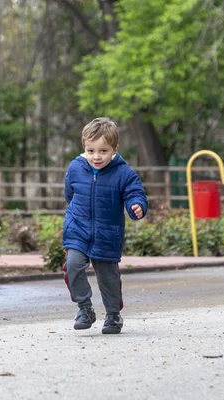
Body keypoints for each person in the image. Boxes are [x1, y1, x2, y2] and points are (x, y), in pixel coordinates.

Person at [62, 117, 148, 334]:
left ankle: (113, 316)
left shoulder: (124, 173)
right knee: (72, 266)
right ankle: (85, 308)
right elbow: (69, 194)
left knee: (108, 278)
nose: (96, 156)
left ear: (114, 149)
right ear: (84, 147)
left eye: (103, 151)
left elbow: (135, 193)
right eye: (91, 150)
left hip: (107, 233)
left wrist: (136, 206)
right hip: (78, 230)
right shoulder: (75, 168)